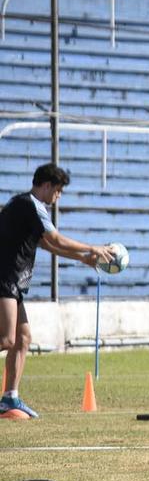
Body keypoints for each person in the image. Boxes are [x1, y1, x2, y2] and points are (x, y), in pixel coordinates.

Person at [0, 163, 115, 418]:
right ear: (47, 185)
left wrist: (84, 258)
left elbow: (47, 244)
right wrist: (92, 248)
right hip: (4, 278)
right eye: (59, 191)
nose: (59, 197)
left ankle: (9, 398)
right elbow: (56, 239)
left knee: (23, 337)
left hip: (13, 281)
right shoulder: (30, 205)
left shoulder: (27, 207)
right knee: (7, 339)